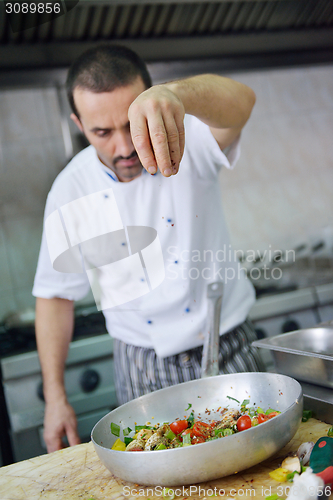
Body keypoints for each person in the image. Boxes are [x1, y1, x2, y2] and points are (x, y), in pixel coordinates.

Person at [33, 44, 265, 453]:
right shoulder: (69, 191)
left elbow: (243, 102)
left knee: (263, 468)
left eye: (130, 125)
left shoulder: (189, 137)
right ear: (78, 123)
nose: (124, 148)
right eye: (101, 132)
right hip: (142, 367)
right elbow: (54, 296)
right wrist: (55, 399)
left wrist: (178, 96)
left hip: (227, 345)